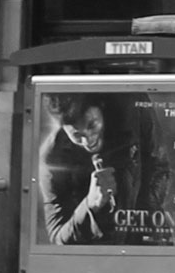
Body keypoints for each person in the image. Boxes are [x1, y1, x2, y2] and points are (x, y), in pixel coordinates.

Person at [39, 94, 119, 245]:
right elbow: (58, 237)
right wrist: (89, 204)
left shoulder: (129, 120)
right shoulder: (52, 160)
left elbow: (158, 166)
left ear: (103, 109)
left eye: (92, 125)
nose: (88, 141)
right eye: (77, 135)